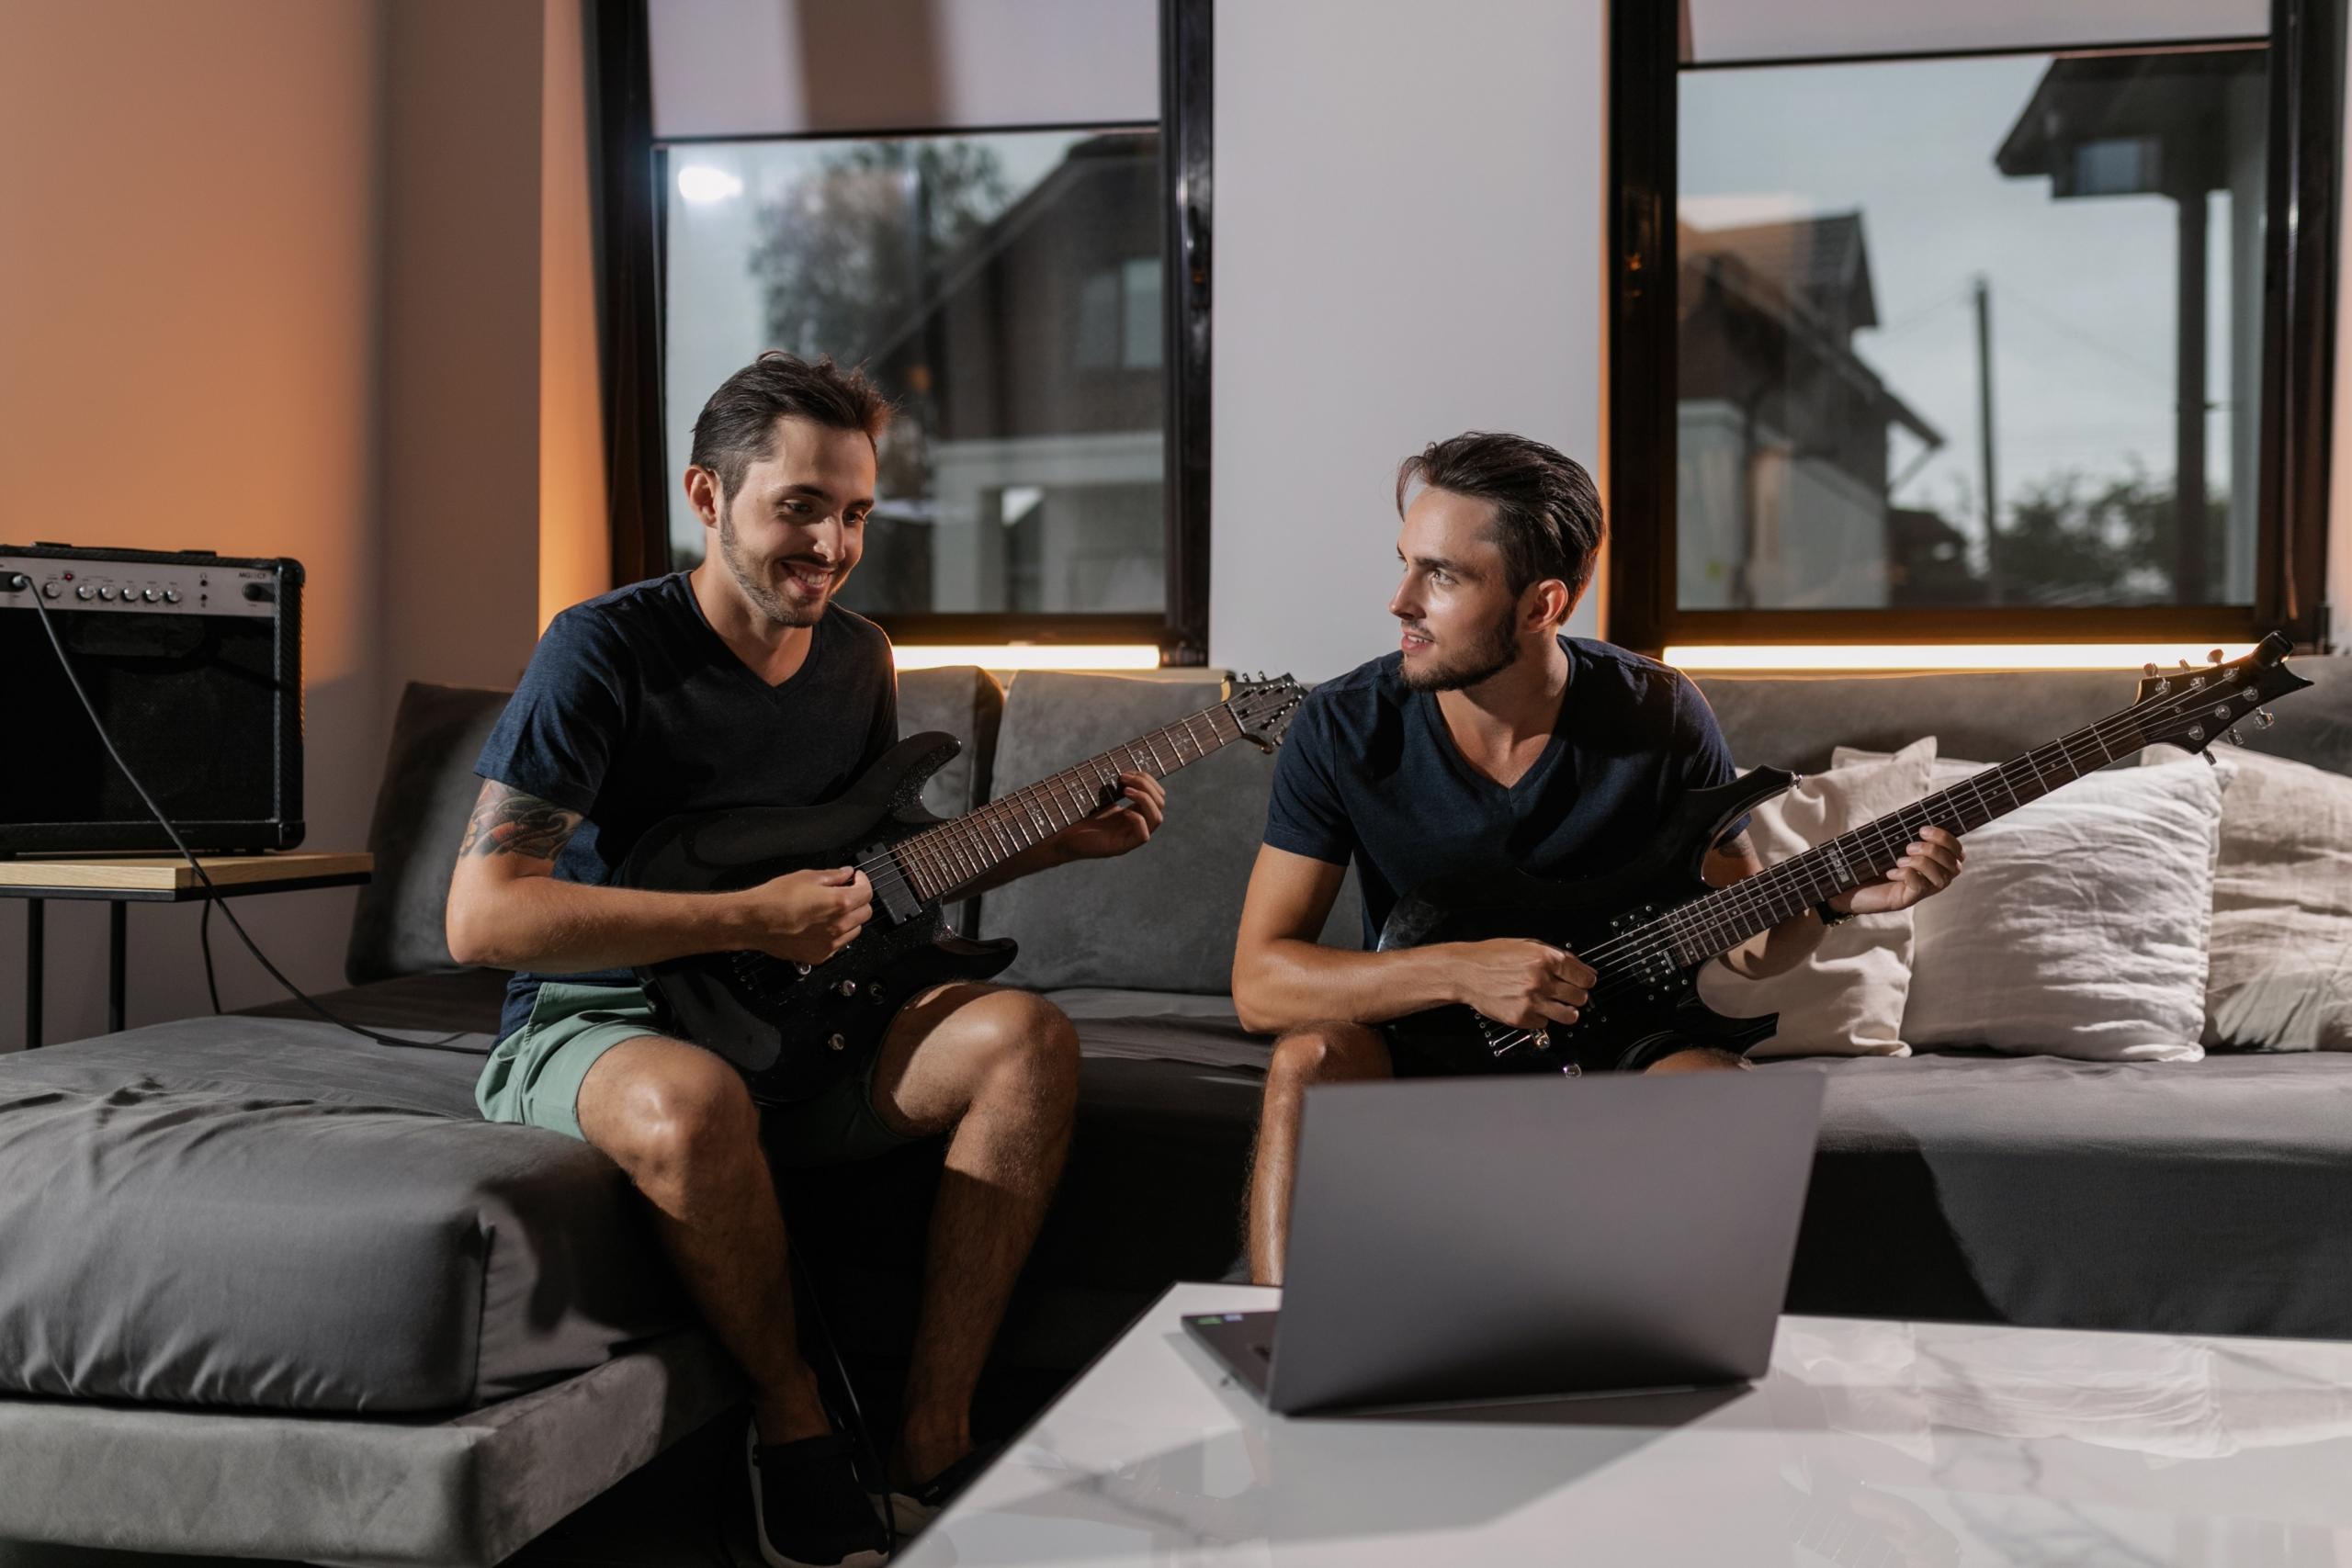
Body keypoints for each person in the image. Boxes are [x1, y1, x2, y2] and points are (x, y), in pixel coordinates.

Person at [445, 352, 1167, 1568]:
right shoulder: (601, 648)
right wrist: (745, 919)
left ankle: (928, 1439)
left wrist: (1059, 847)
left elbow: (869, 882)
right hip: (601, 1017)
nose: (829, 544)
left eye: (854, 514)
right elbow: (484, 918)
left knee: (1024, 1037)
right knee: (693, 1096)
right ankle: (793, 1416)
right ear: (708, 494)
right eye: (799, 506)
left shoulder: (857, 657)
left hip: (804, 1015)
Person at [1228, 432, 1963, 1287]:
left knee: (1732, 1104)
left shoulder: (1659, 712)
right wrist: (1465, 971)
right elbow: (1262, 984)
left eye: (1442, 575)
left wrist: (1833, 905)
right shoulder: (1341, 725)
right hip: (1414, 1039)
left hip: (1620, 1037)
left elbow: (1749, 940)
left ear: (1542, 606)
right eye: (1405, 564)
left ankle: (1668, 1368)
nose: (1400, 601)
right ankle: (1278, 1343)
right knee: (1305, 1058)